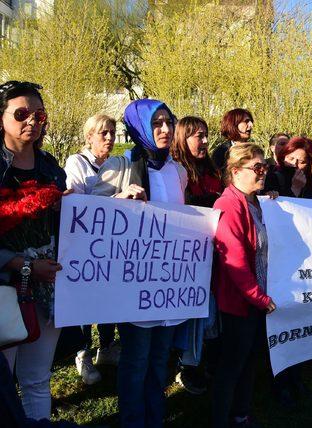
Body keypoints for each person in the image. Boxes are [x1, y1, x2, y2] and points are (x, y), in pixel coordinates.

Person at [92, 99, 187, 427]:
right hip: (134, 282)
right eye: (156, 123)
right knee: (136, 358)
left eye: (168, 122)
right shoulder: (119, 166)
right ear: (139, 127)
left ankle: (154, 415)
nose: (164, 129)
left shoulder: (179, 171)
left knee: (161, 357)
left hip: (168, 282)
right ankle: (133, 419)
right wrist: (118, 200)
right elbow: (89, 215)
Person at [0, 81, 66, 420]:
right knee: (2, 381)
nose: (32, 122)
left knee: (38, 379)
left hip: (49, 287)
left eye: (39, 115)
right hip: (5, 289)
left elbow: (71, 220)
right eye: (22, 114)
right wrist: (23, 266)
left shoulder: (51, 168)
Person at [212, 143, 277, 428]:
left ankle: (240, 414)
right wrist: (259, 298)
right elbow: (235, 262)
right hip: (241, 302)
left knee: (249, 361)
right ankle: (221, 419)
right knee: (232, 366)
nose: (263, 173)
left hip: (258, 298)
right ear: (236, 172)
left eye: (266, 167)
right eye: (257, 168)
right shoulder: (227, 205)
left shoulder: (258, 202)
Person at [64, 114, 120, 386]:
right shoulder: (77, 163)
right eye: (103, 133)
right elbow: (77, 202)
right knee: (86, 303)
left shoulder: (117, 165)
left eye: (112, 132)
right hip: (84, 246)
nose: (109, 138)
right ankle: (83, 353)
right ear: (89, 136)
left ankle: (106, 347)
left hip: (111, 243)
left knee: (109, 298)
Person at [170, 116, 223, 395]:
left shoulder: (212, 171)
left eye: (205, 135)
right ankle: (187, 364)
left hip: (215, 255)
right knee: (195, 312)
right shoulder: (176, 172)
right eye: (197, 136)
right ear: (182, 138)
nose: (203, 141)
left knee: (211, 312)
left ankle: (205, 361)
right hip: (188, 257)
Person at [171, 116, 223, 209]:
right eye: (200, 136)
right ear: (183, 139)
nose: (206, 141)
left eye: (206, 135)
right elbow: (187, 202)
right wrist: (216, 198)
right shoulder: (174, 169)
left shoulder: (212, 169)